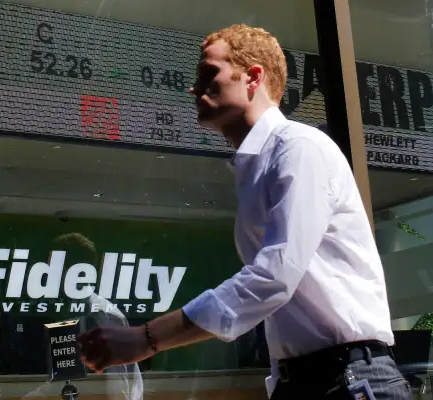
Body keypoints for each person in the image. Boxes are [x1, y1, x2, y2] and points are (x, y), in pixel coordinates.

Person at [77, 24, 411, 399]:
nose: (195, 88)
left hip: (349, 378)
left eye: (209, 74)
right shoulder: (260, 165)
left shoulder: (299, 148)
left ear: (253, 77)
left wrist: (146, 338)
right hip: (314, 380)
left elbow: (274, 276)